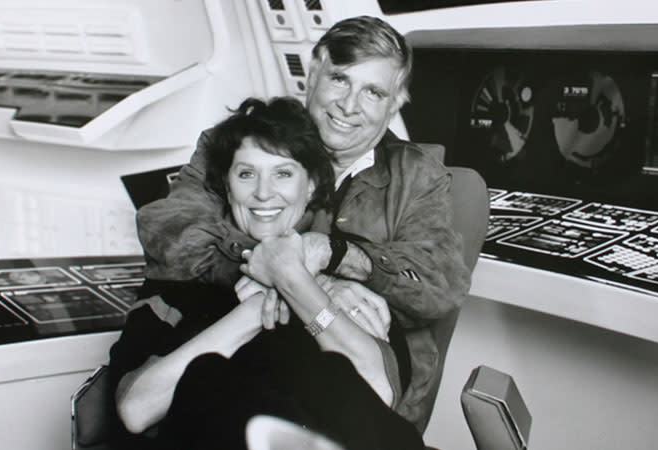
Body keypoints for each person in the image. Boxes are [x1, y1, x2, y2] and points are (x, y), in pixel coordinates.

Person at [136, 15, 471, 429]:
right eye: (340, 79)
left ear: (395, 102)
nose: (349, 106)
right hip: (238, 366)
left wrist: (334, 257)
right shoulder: (239, 141)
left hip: (360, 394)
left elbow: (439, 284)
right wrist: (282, 273)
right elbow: (168, 229)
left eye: (373, 92)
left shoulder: (419, 176)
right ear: (313, 73)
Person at [109, 97, 424, 450]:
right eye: (246, 174)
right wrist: (253, 311)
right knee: (207, 376)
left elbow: (377, 389)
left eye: (283, 174)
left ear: (311, 186)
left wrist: (294, 283)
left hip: (335, 433)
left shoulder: (347, 279)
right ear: (228, 188)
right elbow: (135, 410)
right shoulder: (183, 276)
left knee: (331, 373)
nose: (262, 192)